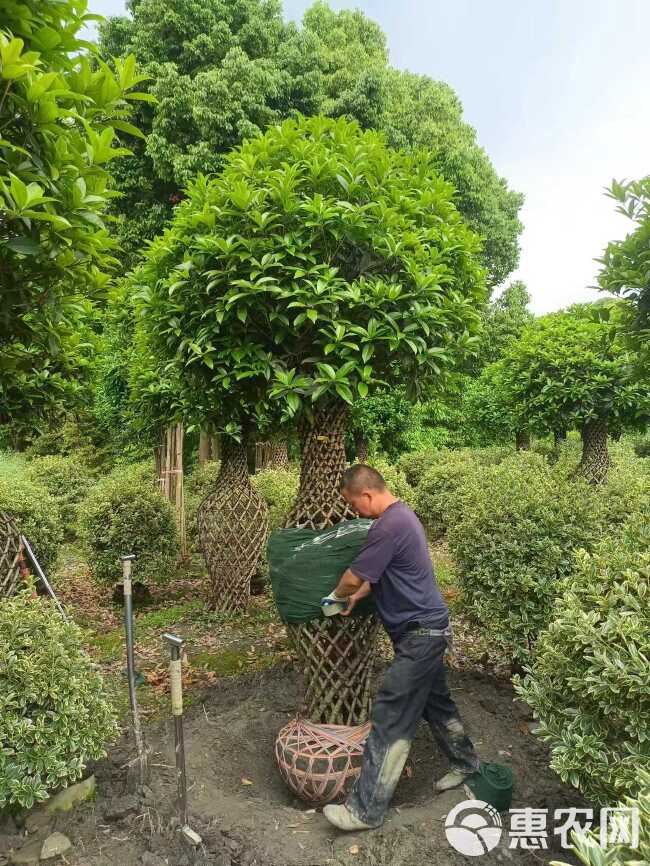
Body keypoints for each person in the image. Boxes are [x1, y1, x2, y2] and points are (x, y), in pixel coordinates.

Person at [322, 464, 480, 832]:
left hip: (420, 635)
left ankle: (364, 810)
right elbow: (388, 573)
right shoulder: (403, 516)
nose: (354, 513)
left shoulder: (386, 526)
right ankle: (466, 764)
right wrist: (361, 592)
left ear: (366, 495)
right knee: (436, 702)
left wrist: (333, 596)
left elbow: (351, 577)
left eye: (353, 505)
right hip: (429, 630)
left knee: (391, 713)